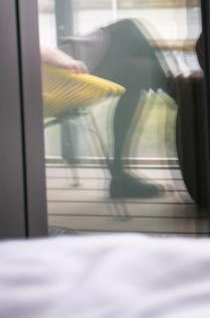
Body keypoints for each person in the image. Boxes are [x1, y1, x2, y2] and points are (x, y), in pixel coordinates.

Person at [42, 19, 174, 198]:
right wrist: (61, 58)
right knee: (128, 31)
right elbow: (26, 46)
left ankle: (120, 178)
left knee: (136, 73)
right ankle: (176, 93)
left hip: (48, 78)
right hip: (54, 78)